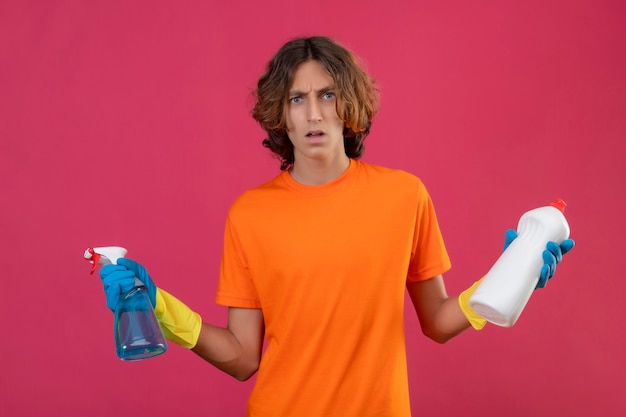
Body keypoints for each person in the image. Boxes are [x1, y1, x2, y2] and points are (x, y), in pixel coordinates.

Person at [100, 36, 575, 416]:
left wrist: (516, 274)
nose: (314, 113)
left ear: (348, 106)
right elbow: (243, 358)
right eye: (297, 99)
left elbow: (438, 322)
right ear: (278, 115)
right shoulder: (250, 214)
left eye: (327, 95)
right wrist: (158, 304)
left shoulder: (404, 195)